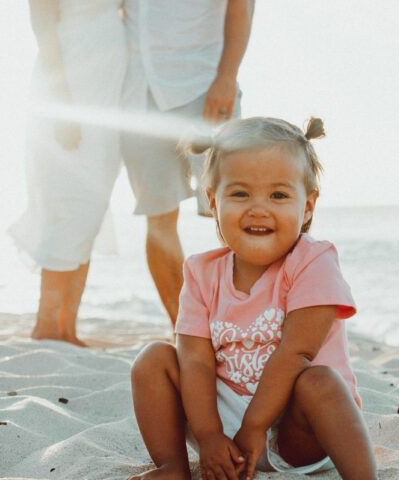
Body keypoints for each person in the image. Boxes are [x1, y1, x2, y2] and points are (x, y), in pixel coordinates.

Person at [129, 117, 378, 480]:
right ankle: (173, 467)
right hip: (223, 425)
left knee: (320, 382)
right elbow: (195, 361)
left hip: (299, 429)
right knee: (154, 359)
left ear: (307, 206)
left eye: (278, 195)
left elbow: (298, 351)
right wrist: (211, 435)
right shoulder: (201, 272)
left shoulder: (313, 261)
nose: (258, 208)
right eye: (240, 194)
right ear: (212, 201)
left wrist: (256, 427)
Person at [95, 0, 256, 326]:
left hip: (204, 89)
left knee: (233, 219)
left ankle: (247, 331)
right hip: (137, 101)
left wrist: (226, 77)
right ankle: (186, 332)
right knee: (158, 221)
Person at [8, 0, 128, 345]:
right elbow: (42, 24)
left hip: (105, 97)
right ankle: (45, 327)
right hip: (69, 95)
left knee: (92, 203)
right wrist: (63, 105)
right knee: (68, 202)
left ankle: (67, 328)